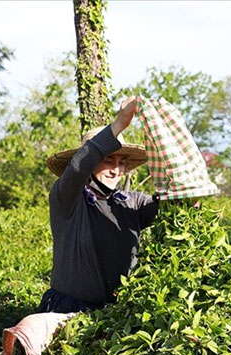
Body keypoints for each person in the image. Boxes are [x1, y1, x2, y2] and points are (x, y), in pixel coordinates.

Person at [37, 96, 159, 313]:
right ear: (91, 164)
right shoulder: (67, 199)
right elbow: (77, 168)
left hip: (115, 313)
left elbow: (166, 206)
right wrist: (120, 123)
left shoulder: (131, 202)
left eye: (121, 163)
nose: (116, 170)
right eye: (108, 161)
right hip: (68, 310)